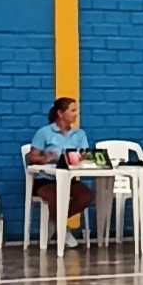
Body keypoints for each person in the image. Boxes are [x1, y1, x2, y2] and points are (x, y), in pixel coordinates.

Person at [26, 98, 98, 242]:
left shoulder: (80, 134)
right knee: (56, 197)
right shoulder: (44, 132)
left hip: (69, 179)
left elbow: (84, 154)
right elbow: (31, 157)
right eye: (72, 110)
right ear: (60, 113)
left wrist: (84, 157)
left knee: (87, 195)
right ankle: (63, 229)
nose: (76, 114)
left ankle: (56, 222)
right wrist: (44, 158)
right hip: (46, 180)